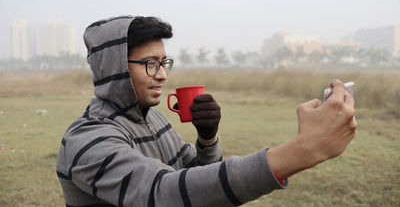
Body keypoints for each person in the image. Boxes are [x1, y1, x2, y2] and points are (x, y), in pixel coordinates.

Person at [56, 15, 357, 207]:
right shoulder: (87, 139)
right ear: (115, 69)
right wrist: (300, 151)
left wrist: (208, 139)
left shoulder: (154, 118)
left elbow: (195, 174)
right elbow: (163, 193)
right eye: (150, 63)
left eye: (164, 63)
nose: (162, 74)